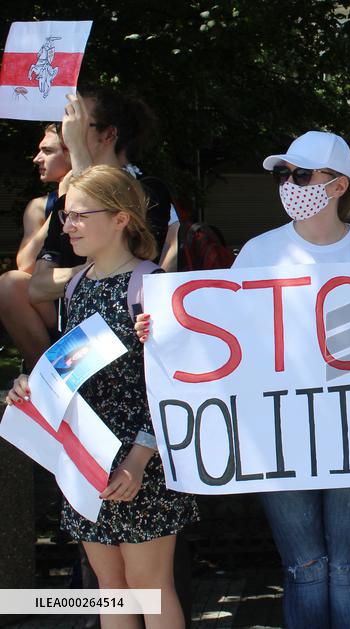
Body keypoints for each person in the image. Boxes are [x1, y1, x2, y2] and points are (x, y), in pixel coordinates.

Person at [144, 130, 350, 628]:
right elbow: (225, 335)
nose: (289, 184)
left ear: (339, 186)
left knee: (349, 567)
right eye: (285, 175)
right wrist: (163, 329)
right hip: (282, 437)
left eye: (301, 175)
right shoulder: (259, 252)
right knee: (304, 568)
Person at [6, 165, 198, 629]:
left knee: (150, 589)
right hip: (87, 460)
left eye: (77, 216)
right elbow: (68, 370)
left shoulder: (150, 285)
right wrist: (30, 388)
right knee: (111, 590)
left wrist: (139, 456)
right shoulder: (75, 285)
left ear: (120, 219)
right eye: (65, 216)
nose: (65, 227)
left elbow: (175, 385)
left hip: (139, 463)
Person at [30, 87, 180, 327]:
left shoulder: (147, 191)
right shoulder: (65, 203)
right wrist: (89, 274)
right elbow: (36, 287)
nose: (66, 133)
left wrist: (78, 149)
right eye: (64, 123)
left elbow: (125, 267)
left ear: (109, 134)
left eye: (77, 122)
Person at [0, 124, 71, 370]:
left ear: (72, 153)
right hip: (51, 299)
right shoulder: (39, 206)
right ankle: (43, 374)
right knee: (9, 282)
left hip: (93, 293)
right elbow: (26, 265)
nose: (36, 158)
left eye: (47, 151)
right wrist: (61, 205)